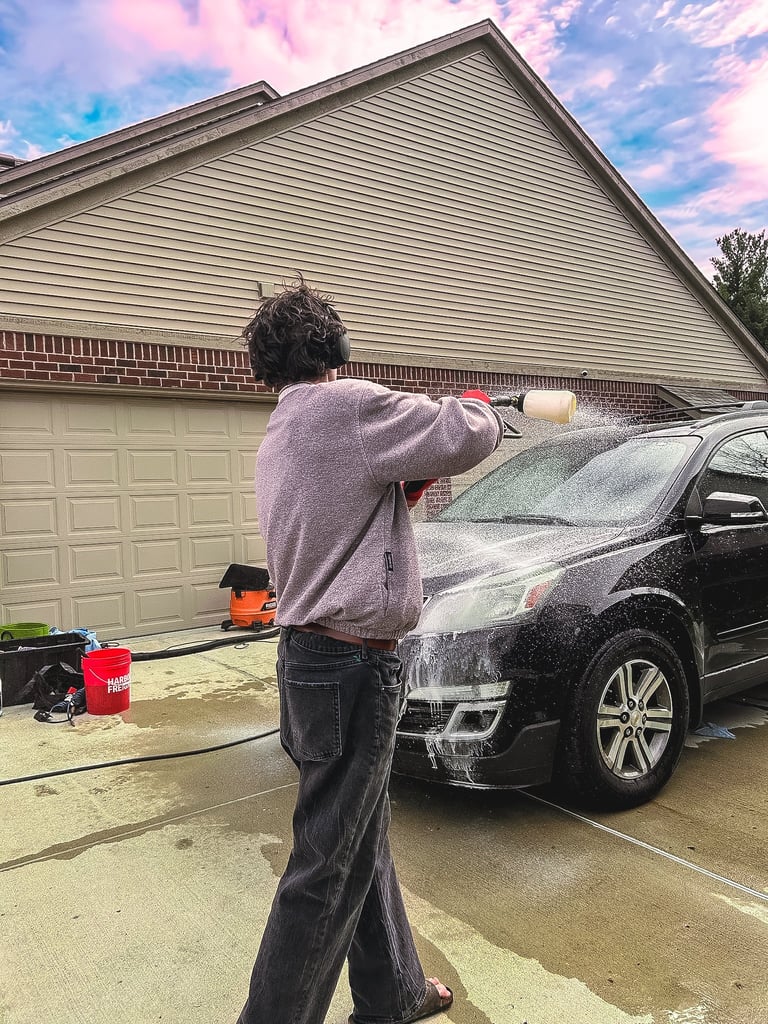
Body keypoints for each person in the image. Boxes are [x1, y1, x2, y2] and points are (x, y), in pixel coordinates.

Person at [237, 280, 504, 1024]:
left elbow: (348, 512)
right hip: (355, 667)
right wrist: (477, 402)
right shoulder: (346, 405)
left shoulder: (284, 431)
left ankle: (393, 992)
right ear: (336, 351)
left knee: (356, 833)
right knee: (324, 865)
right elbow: (469, 434)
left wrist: (400, 488)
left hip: (309, 661)